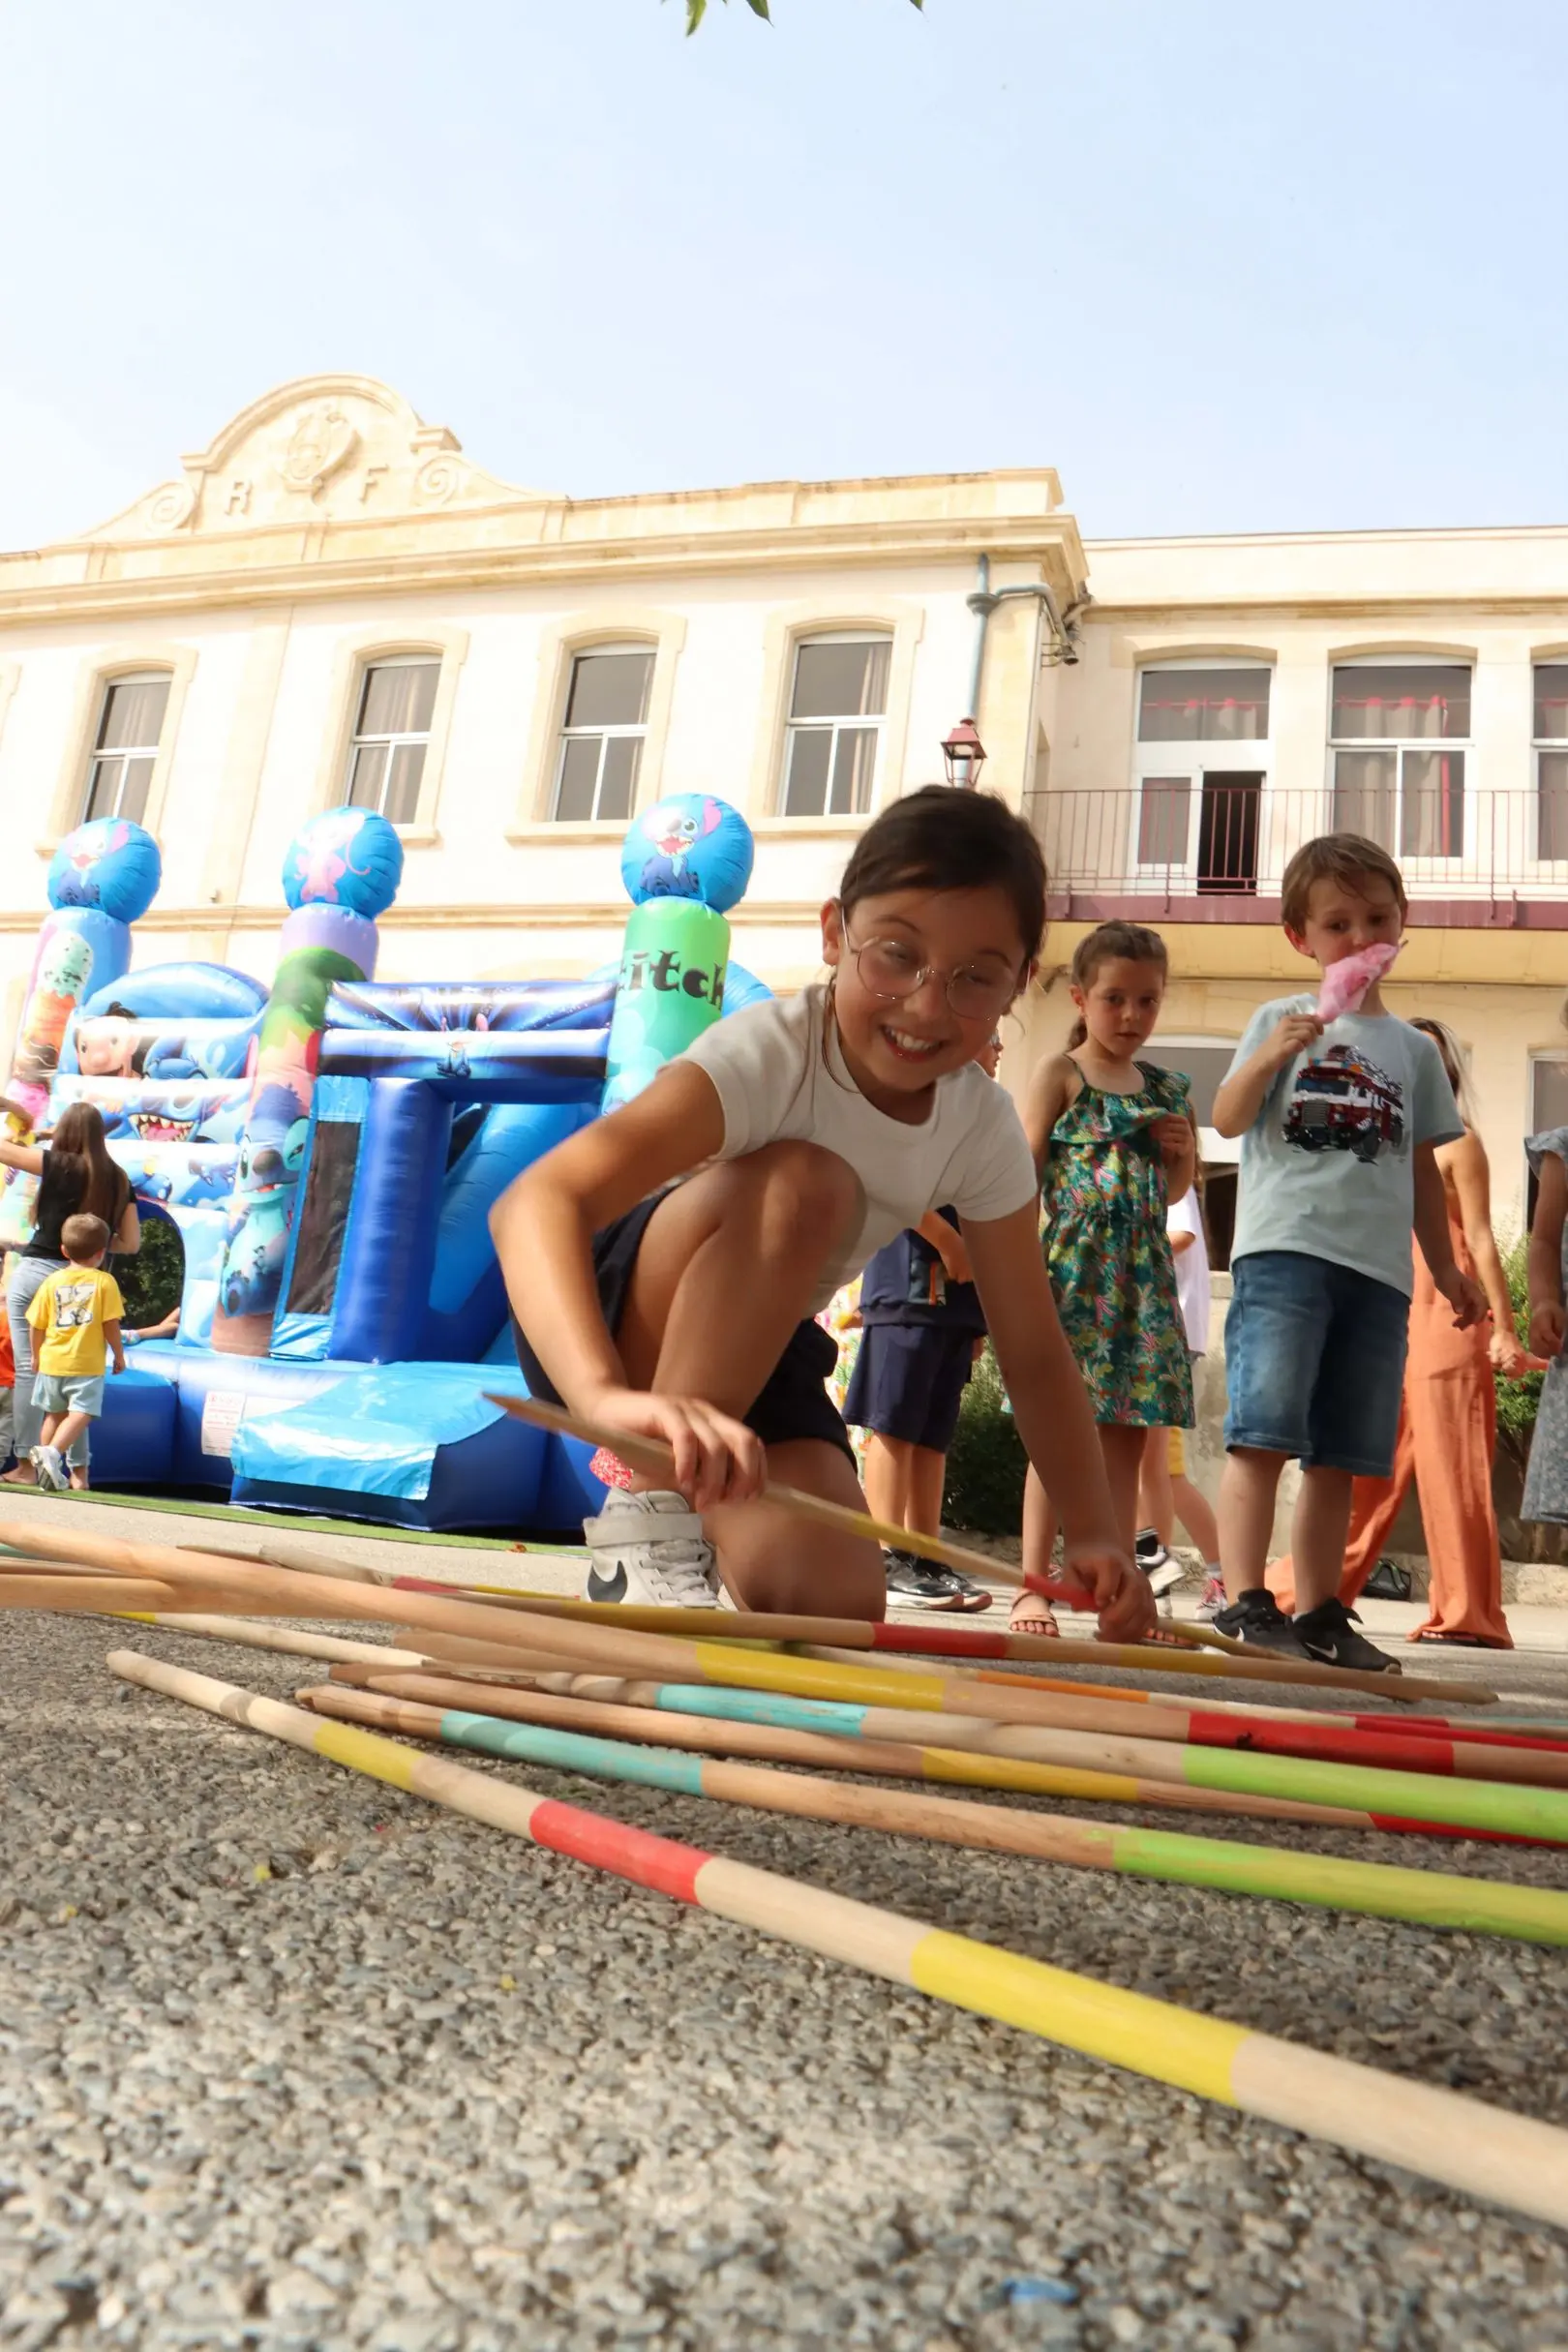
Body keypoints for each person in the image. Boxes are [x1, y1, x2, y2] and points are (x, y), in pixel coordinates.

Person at [491, 785, 1152, 1642]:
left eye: (974, 978)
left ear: (1020, 984)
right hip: (621, 1319)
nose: (925, 1006)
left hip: (767, 1353)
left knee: (832, 1606)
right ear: (835, 933)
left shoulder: (980, 1124)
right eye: (896, 956)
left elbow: (1032, 1347)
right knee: (811, 1183)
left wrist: (1096, 1534)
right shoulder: (774, 1050)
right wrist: (602, 1397)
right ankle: (646, 1516)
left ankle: (692, 1521)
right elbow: (534, 1201)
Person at [1211, 834, 1486, 1669]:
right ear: (1302, 937)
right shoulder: (1279, 1020)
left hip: (1379, 1274)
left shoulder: (1414, 1051)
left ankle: (1321, 1611)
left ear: (1402, 924)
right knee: (1262, 1432)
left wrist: (1447, 1270)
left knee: (1343, 1452)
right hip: (1285, 1251)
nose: (1361, 939)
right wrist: (1272, 1054)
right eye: (1338, 924)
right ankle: (1244, 1601)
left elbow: (1419, 1170)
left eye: (1376, 920)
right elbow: (1226, 1118)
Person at [1266, 1018, 1519, 1648]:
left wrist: (1505, 1327)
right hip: (1381, 1311)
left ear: (1445, 1072)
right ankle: (1301, 1593)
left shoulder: (1460, 1142)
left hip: (1448, 1321)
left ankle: (1467, 1615)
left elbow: (1480, 1237)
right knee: (1355, 1467)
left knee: (1452, 1471)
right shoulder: (1375, 1138)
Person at [1014, 920, 1196, 1638]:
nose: (1131, 1015)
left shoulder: (1168, 1088)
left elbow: (1174, 1190)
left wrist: (1182, 1155)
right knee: (1057, 1432)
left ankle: (1113, 1594)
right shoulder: (1060, 1074)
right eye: (1115, 998)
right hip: (1074, 1267)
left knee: (1125, 1437)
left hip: (1142, 1275)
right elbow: (1024, 1169)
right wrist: (1016, 1266)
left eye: (1147, 1000)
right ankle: (1034, 1587)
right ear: (1081, 998)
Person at [845, 1033, 1002, 1611]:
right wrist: (945, 1240)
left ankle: (925, 1554)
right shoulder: (915, 1104)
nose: (996, 1052)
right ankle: (886, 1554)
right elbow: (889, 1179)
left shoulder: (980, 1120)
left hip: (957, 1306)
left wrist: (978, 1315)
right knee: (894, 1426)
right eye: (990, 1041)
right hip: (909, 1292)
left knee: (934, 1434)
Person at [0, 1101, 138, 1487]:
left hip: (37, 1276)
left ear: (64, 1131)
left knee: (31, 1372)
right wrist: (92, 1244)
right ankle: (79, 1473)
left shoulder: (57, 1163)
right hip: (86, 1287)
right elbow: (130, 1243)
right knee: (76, 1379)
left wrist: (14, 1116)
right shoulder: (119, 1179)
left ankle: (27, 1466)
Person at [1136, 1173, 1224, 1614]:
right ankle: (1220, 1576)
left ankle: (1159, 1580)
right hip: (1162, 1336)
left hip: (1163, 1337)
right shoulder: (1167, 1180)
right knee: (1166, 1472)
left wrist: (1125, 1254)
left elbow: (1181, 1234)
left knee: (1150, 1467)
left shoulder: (1172, 1183)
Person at [24, 1213, 126, 1493]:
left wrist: (35, 1355)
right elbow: (110, 1324)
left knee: (54, 1416)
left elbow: (36, 1324)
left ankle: (47, 1470)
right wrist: (119, 1354)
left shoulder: (52, 1281)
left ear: (64, 1250)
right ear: (102, 1253)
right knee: (82, 1413)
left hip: (52, 1361)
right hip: (85, 1364)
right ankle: (52, 1453)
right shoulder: (104, 1282)